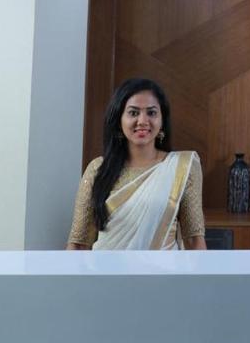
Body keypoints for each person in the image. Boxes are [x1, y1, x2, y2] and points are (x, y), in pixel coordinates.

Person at [67, 78, 206, 250]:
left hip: (163, 274)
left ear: (162, 120)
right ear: (119, 120)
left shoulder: (182, 167)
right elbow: (78, 244)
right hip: (106, 273)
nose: (142, 121)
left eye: (151, 113)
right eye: (133, 113)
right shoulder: (98, 170)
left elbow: (194, 240)